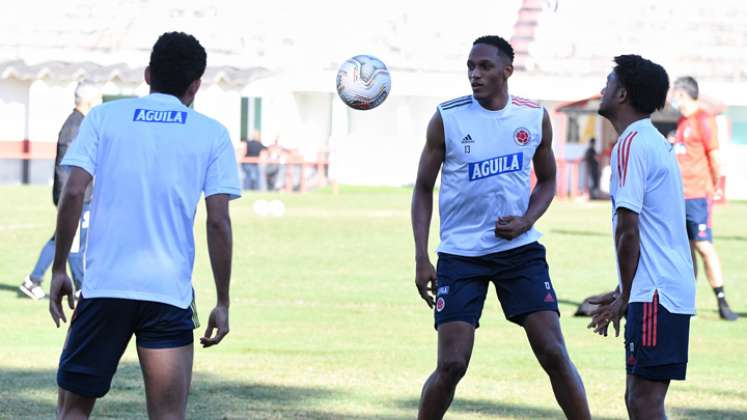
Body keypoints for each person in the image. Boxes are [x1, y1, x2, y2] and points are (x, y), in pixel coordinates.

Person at [48, 32, 241, 419]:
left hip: (104, 288)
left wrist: (57, 269)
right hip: (167, 293)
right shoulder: (212, 133)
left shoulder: (104, 117)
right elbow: (217, 221)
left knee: (73, 411)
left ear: (148, 73)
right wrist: (222, 300)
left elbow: (72, 193)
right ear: (195, 85)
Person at [411, 35, 591, 420]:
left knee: (555, 354)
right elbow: (423, 188)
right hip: (460, 255)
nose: (475, 75)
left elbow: (547, 181)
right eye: (471, 67)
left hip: (520, 253)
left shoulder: (532, 116)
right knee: (452, 365)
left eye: (485, 67)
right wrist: (421, 256)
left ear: (507, 71)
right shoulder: (448, 117)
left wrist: (526, 219)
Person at [589, 55, 696, 420]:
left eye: (608, 82)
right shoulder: (651, 141)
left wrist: (628, 294)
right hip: (661, 290)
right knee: (640, 399)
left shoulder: (632, 144)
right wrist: (623, 290)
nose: (602, 89)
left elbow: (628, 229)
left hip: (654, 294)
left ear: (622, 94)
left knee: (643, 401)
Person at [19, 82, 101, 300]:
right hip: (75, 197)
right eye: (99, 99)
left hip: (79, 195)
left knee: (61, 239)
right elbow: (67, 169)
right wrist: (69, 199)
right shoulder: (75, 127)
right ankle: (82, 287)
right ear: (90, 101)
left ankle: (33, 280)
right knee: (75, 243)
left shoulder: (81, 124)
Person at [670, 76, 737, 321]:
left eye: (673, 94)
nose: (670, 99)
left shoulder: (703, 120)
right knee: (686, 251)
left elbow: (715, 156)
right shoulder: (682, 122)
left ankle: (722, 301)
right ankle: (688, 302)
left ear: (682, 95)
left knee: (704, 247)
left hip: (698, 195)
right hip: (680, 196)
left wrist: (716, 186)